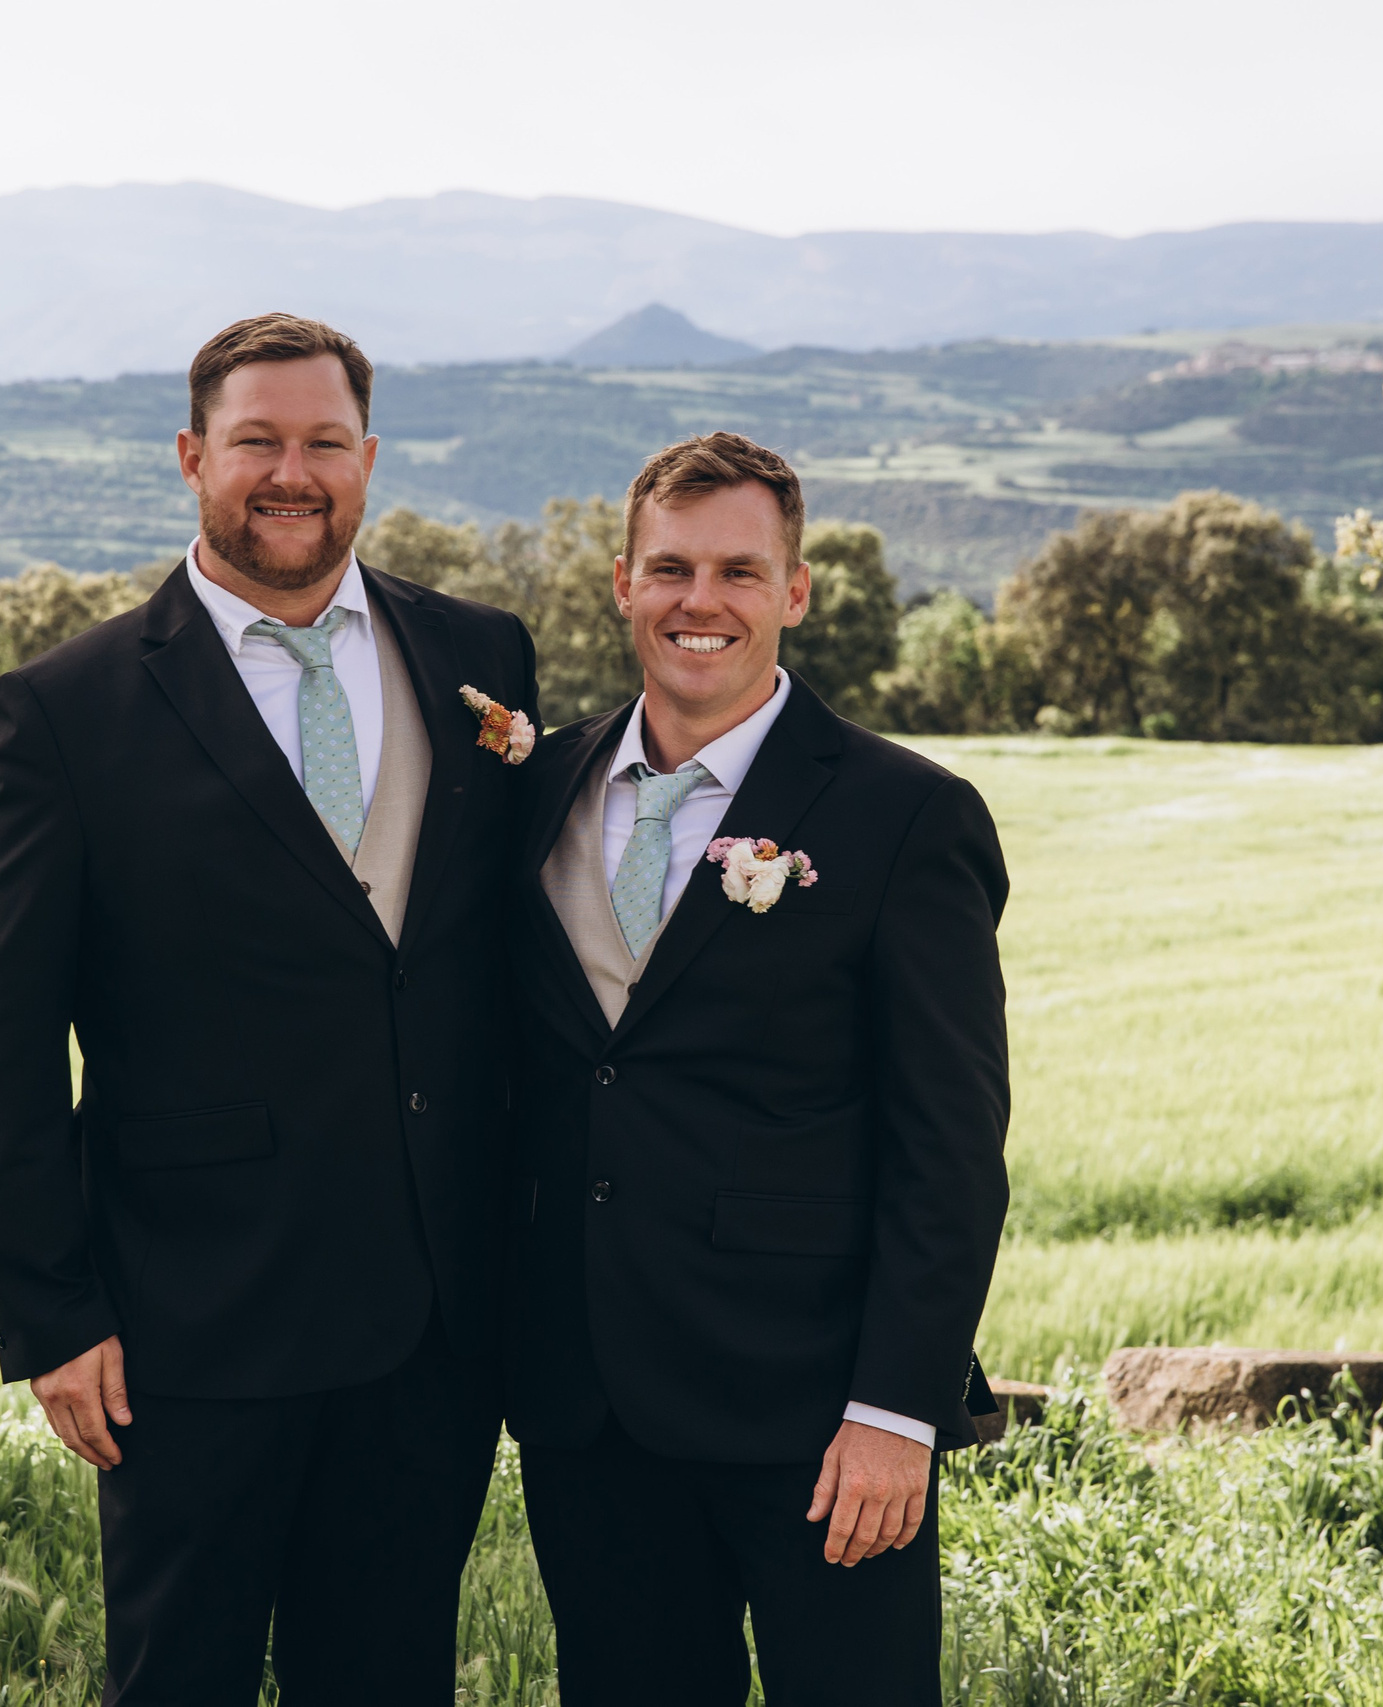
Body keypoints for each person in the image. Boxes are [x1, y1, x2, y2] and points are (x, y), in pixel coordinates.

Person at [0, 312, 539, 1705]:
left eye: (324, 441)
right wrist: (50, 1309)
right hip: (189, 1319)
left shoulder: (480, 653)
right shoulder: (65, 711)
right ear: (193, 455)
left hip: (435, 1318)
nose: (292, 472)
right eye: (257, 440)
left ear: (368, 458)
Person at [503, 432, 1011, 1705]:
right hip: (587, 1407)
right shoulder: (534, 790)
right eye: (671, 568)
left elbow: (949, 1147)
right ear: (622, 584)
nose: (701, 600)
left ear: (795, 591)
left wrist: (896, 1410)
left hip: (819, 1414)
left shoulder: (905, 815)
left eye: (739, 570)